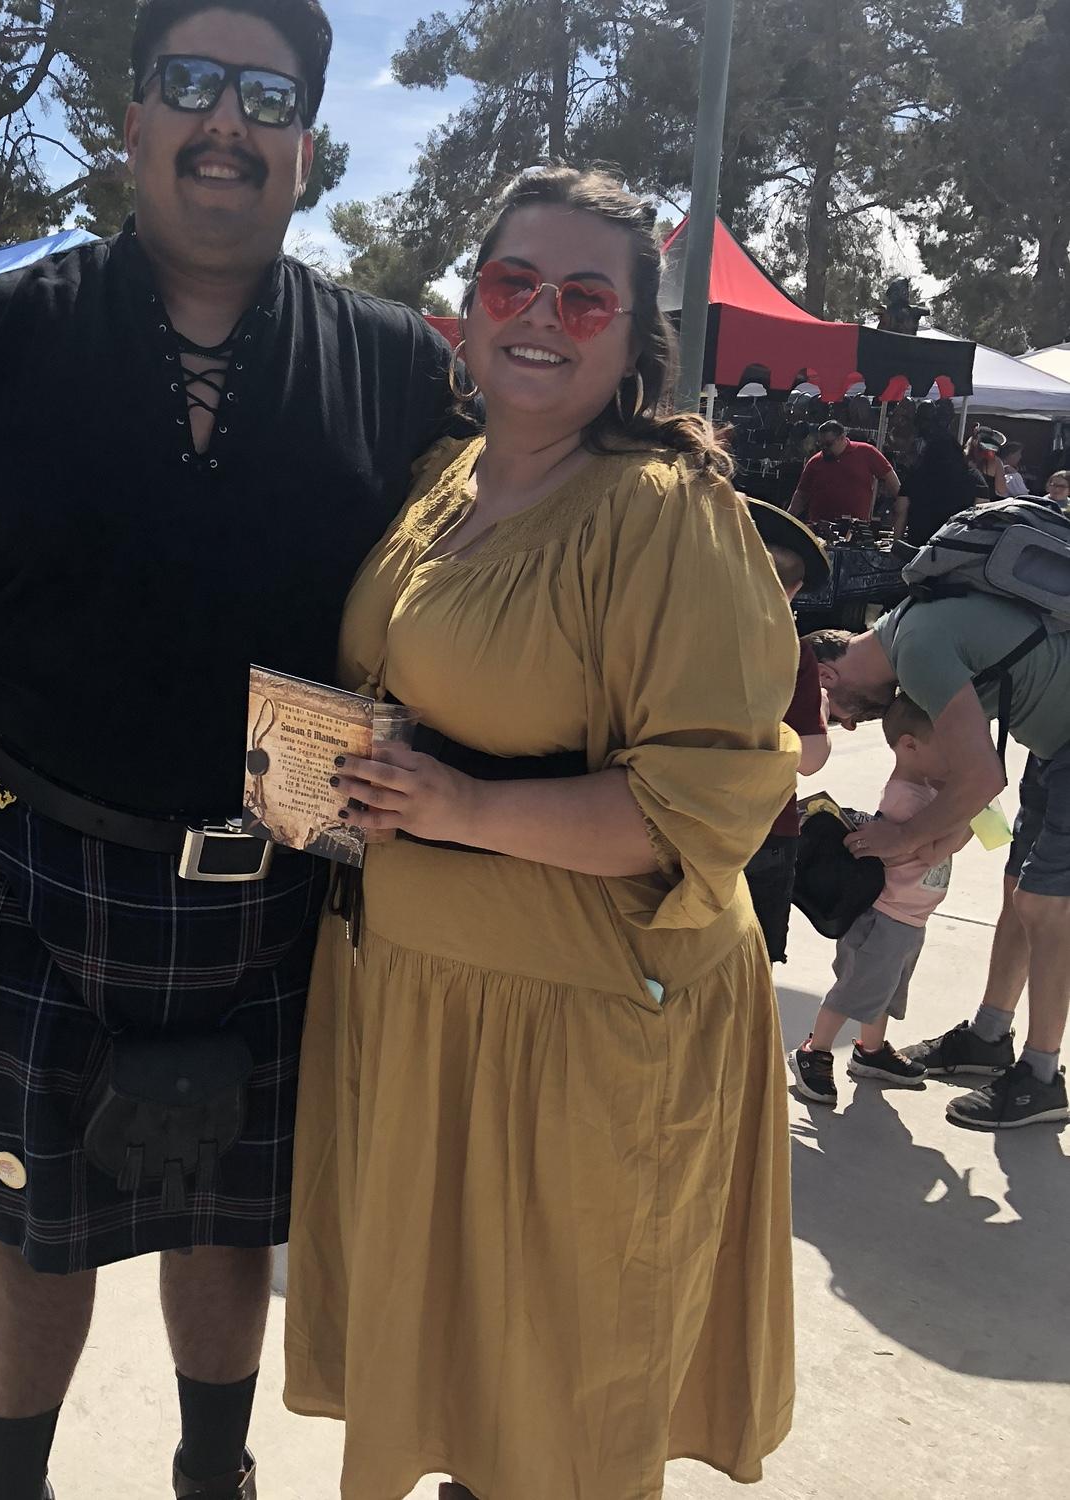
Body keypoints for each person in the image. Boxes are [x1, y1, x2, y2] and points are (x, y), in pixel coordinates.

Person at [0, 2, 458, 1496]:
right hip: (49, 853)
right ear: (137, 117)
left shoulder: (397, 363)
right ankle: (5, 1485)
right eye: (193, 85)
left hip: (284, 866)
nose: (227, 123)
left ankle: (213, 1479)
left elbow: (512, 546)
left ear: (305, 142)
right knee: (35, 1218)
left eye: (264, 98)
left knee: (232, 1217)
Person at [283, 166, 800, 1500]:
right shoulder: (447, 478)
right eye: (517, 284)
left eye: (586, 298)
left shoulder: (667, 514)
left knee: (560, 1409)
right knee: (466, 1386)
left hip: (577, 1025)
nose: (544, 318)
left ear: (635, 342)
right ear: (468, 306)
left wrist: (467, 808)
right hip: (421, 1002)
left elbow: (711, 803)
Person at [808, 600, 1070, 1129]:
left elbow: (981, 778)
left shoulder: (919, 647)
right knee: (1020, 890)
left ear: (825, 675)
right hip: (1053, 746)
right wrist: (941, 834)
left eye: (833, 713)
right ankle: (989, 1037)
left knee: (1045, 904)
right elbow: (969, 779)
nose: (850, 725)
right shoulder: (910, 634)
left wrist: (907, 837)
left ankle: (1041, 1078)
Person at [789, 696, 952, 1105]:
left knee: (883, 990)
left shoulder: (929, 790)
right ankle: (814, 1051)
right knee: (853, 989)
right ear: (910, 745)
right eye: (945, 745)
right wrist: (969, 815)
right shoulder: (904, 797)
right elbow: (925, 851)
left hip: (909, 917)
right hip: (884, 916)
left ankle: (871, 1051)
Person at [742, 499, 831, 963]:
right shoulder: (792, 653)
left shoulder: (666, 635)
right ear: (794, 591)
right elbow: (812, 757)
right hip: (764, 828)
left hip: (671, 817)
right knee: (750, 963)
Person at [893, 405, 979, 545]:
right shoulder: (971, 477)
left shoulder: (916, 474)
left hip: (919, 543)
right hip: (954, 545)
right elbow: (981, 507)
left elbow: (900, 510)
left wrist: (897, 543)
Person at [788, 418, 900, 525]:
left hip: (855, 528)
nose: (824, 448)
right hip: (820, 527)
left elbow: (890, 477)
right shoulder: (815, 462)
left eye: (828, 444)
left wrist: (901, 508)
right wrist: (788, 519)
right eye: (821, 444)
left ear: (842, 438)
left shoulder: (866, 452)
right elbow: (801, 495)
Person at [966, 426, 1010, 500]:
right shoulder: (995, 461)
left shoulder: (962, 456)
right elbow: (1001, 490)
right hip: (984, 505)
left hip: (962, 501)